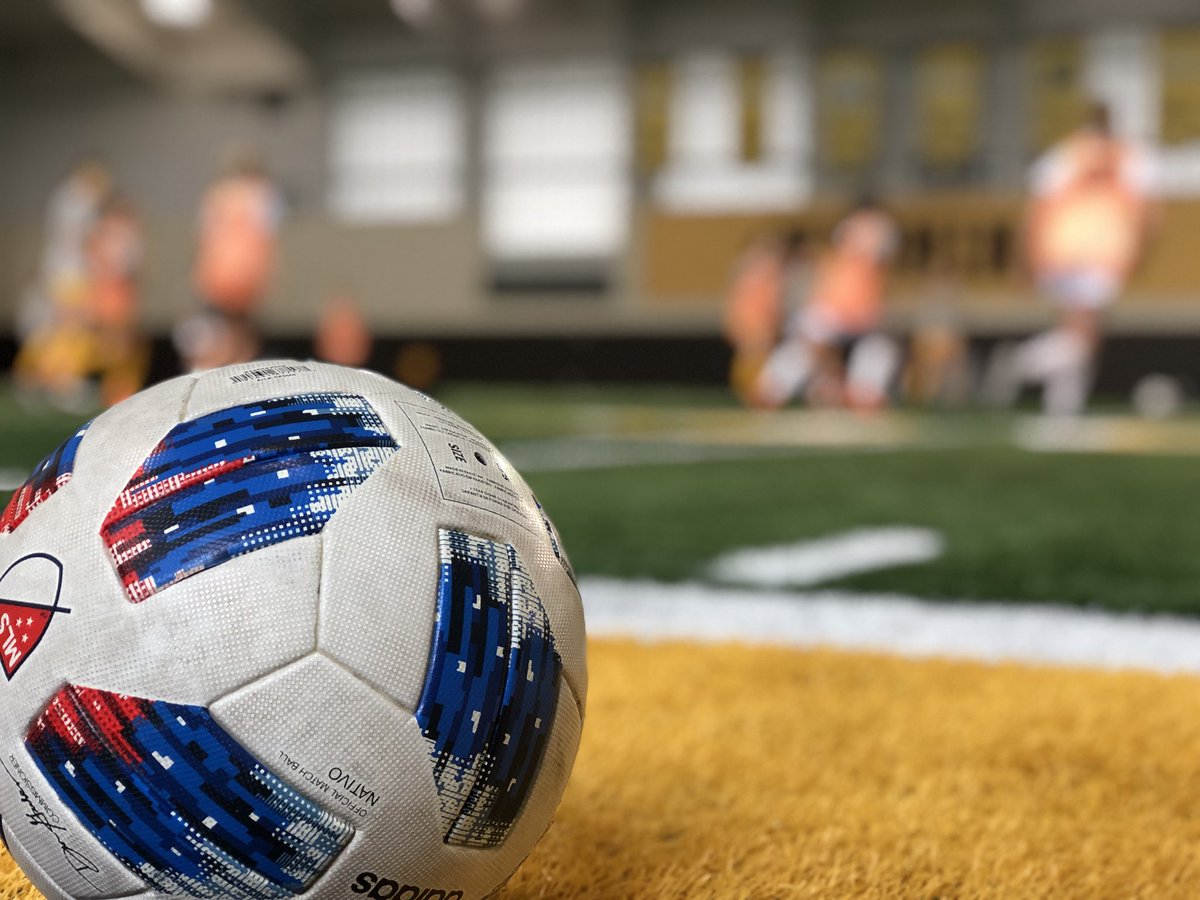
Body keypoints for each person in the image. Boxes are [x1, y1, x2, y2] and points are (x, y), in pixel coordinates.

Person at [996, 101, 1156, 416]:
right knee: (1084, 337)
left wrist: (1024, 258)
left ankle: (1061, 410)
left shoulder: (1065, 153)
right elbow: (1148, 212)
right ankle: (1020, 365)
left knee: (1073, 331)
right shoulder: (1128, 156)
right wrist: (1143, 249)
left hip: (1057, 249)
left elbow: (1034, 210)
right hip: (1100, 251)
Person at [756, 194, 899, 409]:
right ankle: (772, 389)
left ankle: (863, 395)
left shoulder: (870, 238)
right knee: (804, 351)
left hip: (859, 315)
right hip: (828, 310)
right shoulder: (861, 230)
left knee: (878, 349)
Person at [14, 159, 112, 408]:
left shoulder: (68, 198)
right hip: (70, 272)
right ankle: (59, 380)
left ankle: (43, 379)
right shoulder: (78, 199)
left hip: (65, 271)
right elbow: (77, 239)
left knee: (63, 328)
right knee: (68, 328)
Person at [185, 144, 282, 370]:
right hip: (246, 271)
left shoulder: (217, 194)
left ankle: (226, 369)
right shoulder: (262, 194)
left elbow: (202, 237)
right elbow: (268, 238)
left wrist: (198, 272)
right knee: (240, 331)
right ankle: (239, 370)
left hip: (219, 271)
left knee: (223, 329)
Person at [85, 193, 147, 406]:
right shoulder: (111, 234)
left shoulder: (113, 233)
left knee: (121, 348)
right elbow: (119, 265)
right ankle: (113, 392)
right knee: (112, 347)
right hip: (111, 294)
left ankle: (118, 392)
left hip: (118, 295)